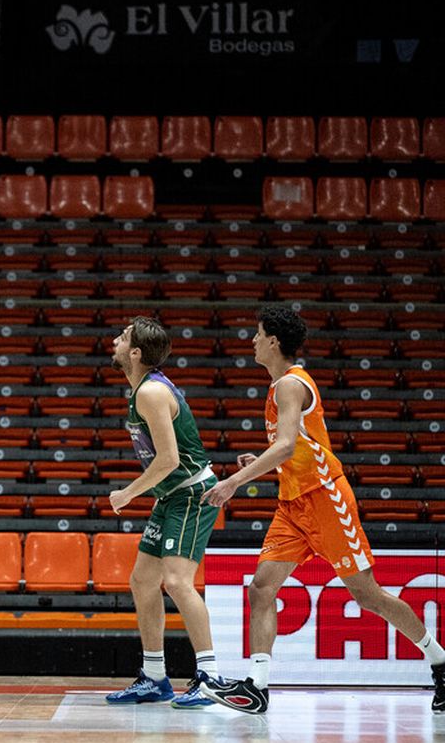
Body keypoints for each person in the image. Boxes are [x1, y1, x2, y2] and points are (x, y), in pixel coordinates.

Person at [200, 306, 445, 714]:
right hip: (293, 504)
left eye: (258, 334)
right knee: (261, 588)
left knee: (367, 596)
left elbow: (287, 445)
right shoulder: (280, 385)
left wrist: (232, 483)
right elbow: (292, 450)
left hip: (325, 499)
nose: (253, 341)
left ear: (274, 341)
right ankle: (257, 687)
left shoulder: (290, 385)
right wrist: (266, 462)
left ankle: (440, 661)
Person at [102, 318, 228, 709]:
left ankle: (210, 678)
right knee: (143, 581)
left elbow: (170, 460)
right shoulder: (142, 389)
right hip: (171, 496)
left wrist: (127, 493)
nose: (115, 341)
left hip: (190, 493)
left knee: (176, 581)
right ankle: (156, 677)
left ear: (136, 353)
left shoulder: (152, 392)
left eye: (123, 338)